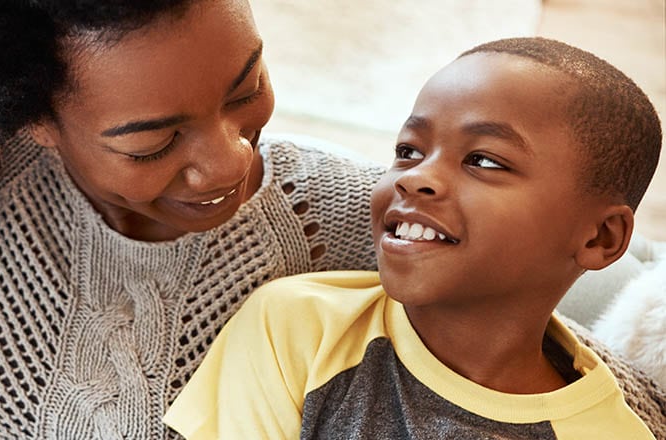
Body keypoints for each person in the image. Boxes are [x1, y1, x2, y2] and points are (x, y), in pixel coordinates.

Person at [0, 1, 662, 438]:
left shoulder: (334, 215)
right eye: (151, 140)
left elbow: (529, 327)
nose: (229, 157)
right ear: (31, 121)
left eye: (245, 85)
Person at [164, 37, 661, 439]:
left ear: (599, 237)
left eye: (483, 160)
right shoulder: (300, 328)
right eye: (408, 150)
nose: (413, 177)